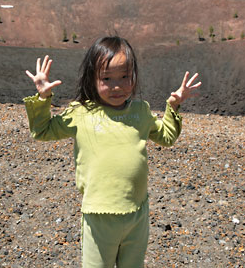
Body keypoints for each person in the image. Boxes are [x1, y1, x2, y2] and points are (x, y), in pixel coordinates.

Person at [23, 36, 201, 267]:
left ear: (134, 76)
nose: (117, 86)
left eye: (125, 77)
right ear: (92, 79)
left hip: (137, 213)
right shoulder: (81, 113)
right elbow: (42, 131)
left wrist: (174, 106)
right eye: (107, 78)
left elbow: (166, 137)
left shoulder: (140, 111)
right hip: (99, 216)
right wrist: (43, 97)